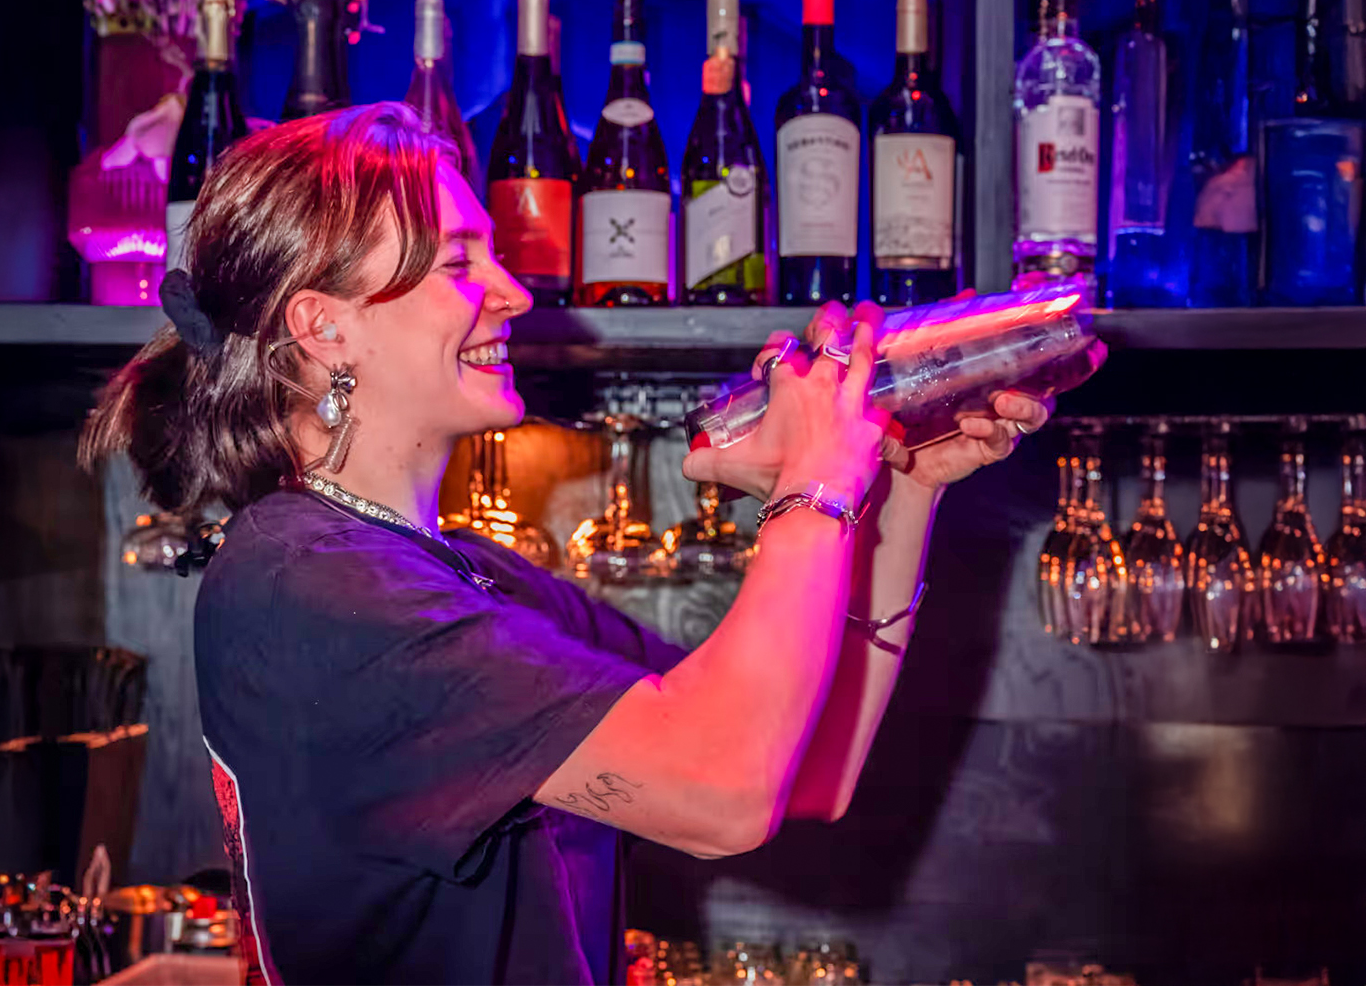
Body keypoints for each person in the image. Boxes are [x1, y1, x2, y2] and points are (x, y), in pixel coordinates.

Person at [79, 102, 1055, 986]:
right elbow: (726, 790)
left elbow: (804, 766)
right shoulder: (303, 584)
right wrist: (815, 485)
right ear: (322, 323)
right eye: (461, 262)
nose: (511, 291)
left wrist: (892, 494)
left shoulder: (464, 573)